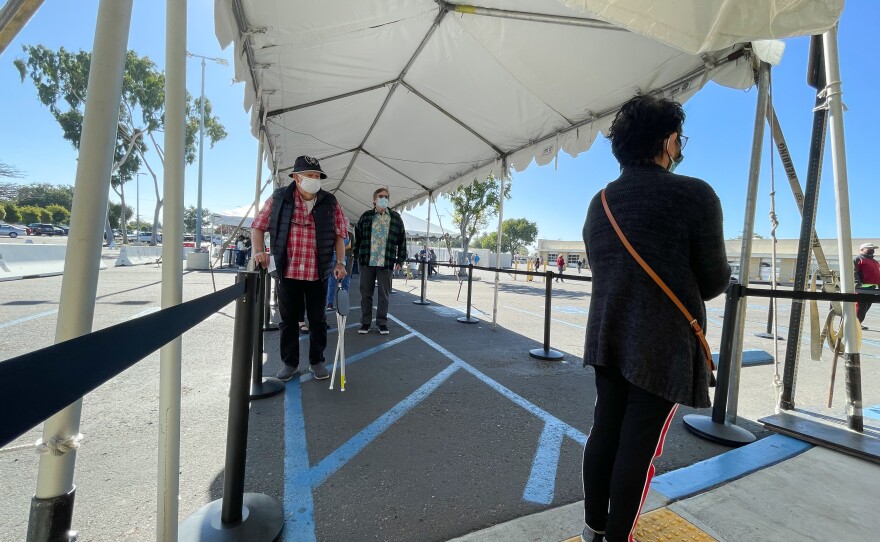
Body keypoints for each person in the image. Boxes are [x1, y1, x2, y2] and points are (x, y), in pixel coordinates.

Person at [580, 94, 730, 542]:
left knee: (605, 428)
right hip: (661, 345)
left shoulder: (600, 201)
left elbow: (602, 267)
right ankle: (617, 538)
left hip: (607, 335)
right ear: (668, 141)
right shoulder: (695, 195)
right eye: (679, 138)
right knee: (638, 445)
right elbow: (714, 280)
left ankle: (594, 528)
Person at [251, 155, 348, 382]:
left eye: (317, 176)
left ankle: (317, 361)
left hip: (318, 273)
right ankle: (290, 363)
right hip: (288, 272)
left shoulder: (330, 202)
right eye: (309, 176)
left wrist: (340, 262)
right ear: (296, 177)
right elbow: (257, 227)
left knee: (318, 320)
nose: (314, 180)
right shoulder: (279, 199)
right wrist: (258, 251)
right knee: (288, 320)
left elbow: (340, 235)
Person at [353, 187, 407, 335]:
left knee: (384, 294)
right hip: (367, 261)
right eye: (380, 196)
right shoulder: (366, 216)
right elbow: (357, 235)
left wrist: (400, 259)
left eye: (386, 196)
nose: (384, 198)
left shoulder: (395, 218)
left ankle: (382, 323)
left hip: (386, 261)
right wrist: (357, 253)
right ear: (374, 199)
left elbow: (402, 240)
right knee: (366, 294)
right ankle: (365, 323)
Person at [854, 242, 880, 330]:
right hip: (862, 289)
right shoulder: (858, 259)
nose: (872, 250)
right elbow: (854, 272)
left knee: (865, 308)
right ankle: (855, 325)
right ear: (862, 250)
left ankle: (858, 323)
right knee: (860, 308)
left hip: (872, 289)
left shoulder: (875, 262)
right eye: (869, 249)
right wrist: (857, 284)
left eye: (873, 249)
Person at [327, 238, 352, 311]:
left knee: (332, 282)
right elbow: (350, 245)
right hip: (344, 257)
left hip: (340, 257)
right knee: (343, 283)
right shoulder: (350, 231)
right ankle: (341, 304)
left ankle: (330, 303)